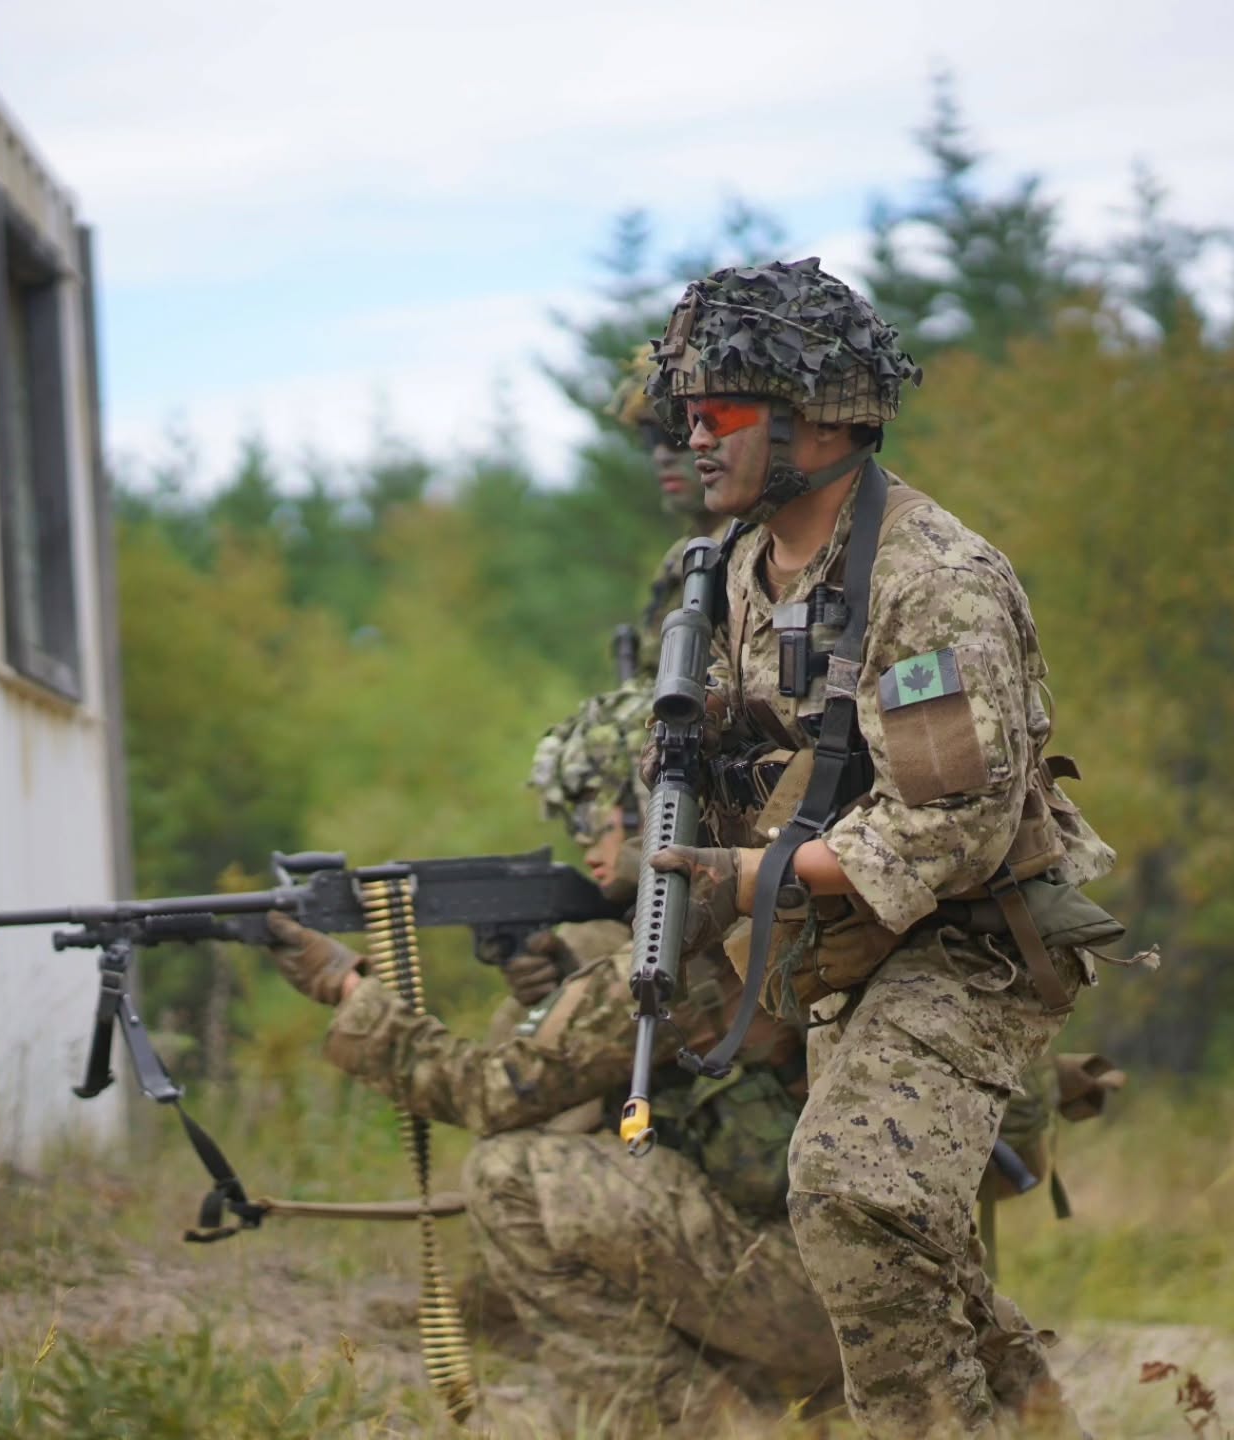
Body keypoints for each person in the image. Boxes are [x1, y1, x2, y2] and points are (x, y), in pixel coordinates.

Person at [637, 258, 1147, 1437]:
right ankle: (1025, 1413)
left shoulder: (933, 583)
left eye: (717, 414)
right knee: (893, 1235)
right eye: (687, 416)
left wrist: (751, 876)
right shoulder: (735, 578)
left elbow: (954, 828)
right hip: (848, 948)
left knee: (851, 1195)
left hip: (975, 939)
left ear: (820, 417)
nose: (694, 442)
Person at [265, 686, 843, 1426]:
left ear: (655, 813)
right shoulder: (763, 902)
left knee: (508, 1179)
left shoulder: (681, 953)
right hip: (843, 1284)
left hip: (803, 1299)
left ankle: (677, 1419)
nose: (587, 846)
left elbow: (488, 1092)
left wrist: (348, 990)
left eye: (597, 818)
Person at [606, 344, 733, 679]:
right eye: (650, 438)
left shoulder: (754, 555)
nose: (662, 456)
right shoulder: (684, 556)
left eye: (677, 433)